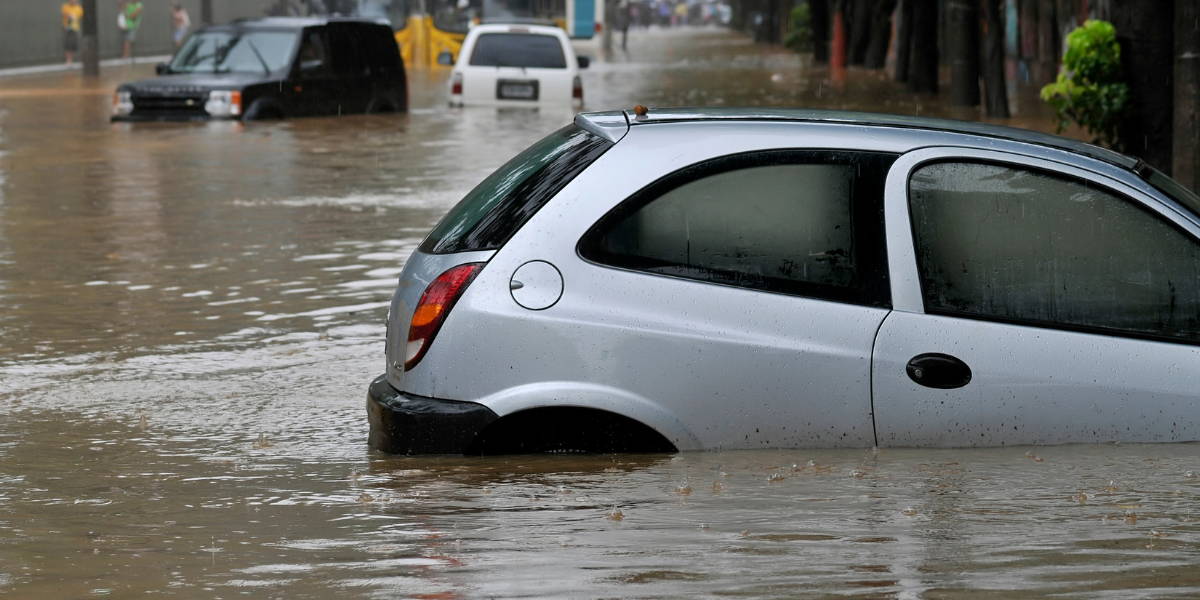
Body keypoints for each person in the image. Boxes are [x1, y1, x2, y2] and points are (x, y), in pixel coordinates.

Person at [61, 0, 83, 65]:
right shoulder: (65, 7)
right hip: (66, 28)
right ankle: (68, 61)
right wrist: (69, 15)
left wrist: (73, 16)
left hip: (74, 28)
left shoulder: (79, 8)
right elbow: (64, 14)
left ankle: (71, 60)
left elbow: (78, 16)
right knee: (67, 44)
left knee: (73, 44)